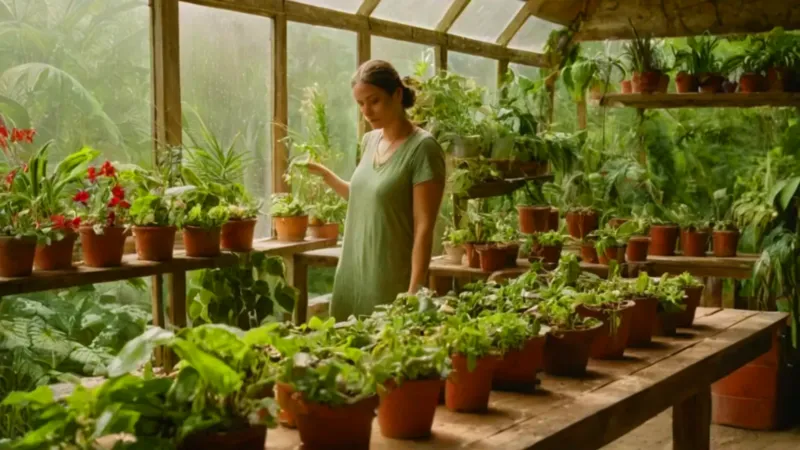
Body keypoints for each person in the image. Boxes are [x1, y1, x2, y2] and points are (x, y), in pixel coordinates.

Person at [305, 60, 446, 321]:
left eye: (374, 101)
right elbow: (366, 199)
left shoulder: (423, 149)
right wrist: (326, 175)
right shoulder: (370, 140)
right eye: (360, 104)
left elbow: (425, 227)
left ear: (397, 94)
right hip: (352, 275)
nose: (366, 111)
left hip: (390, 280)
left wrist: (414, 291)